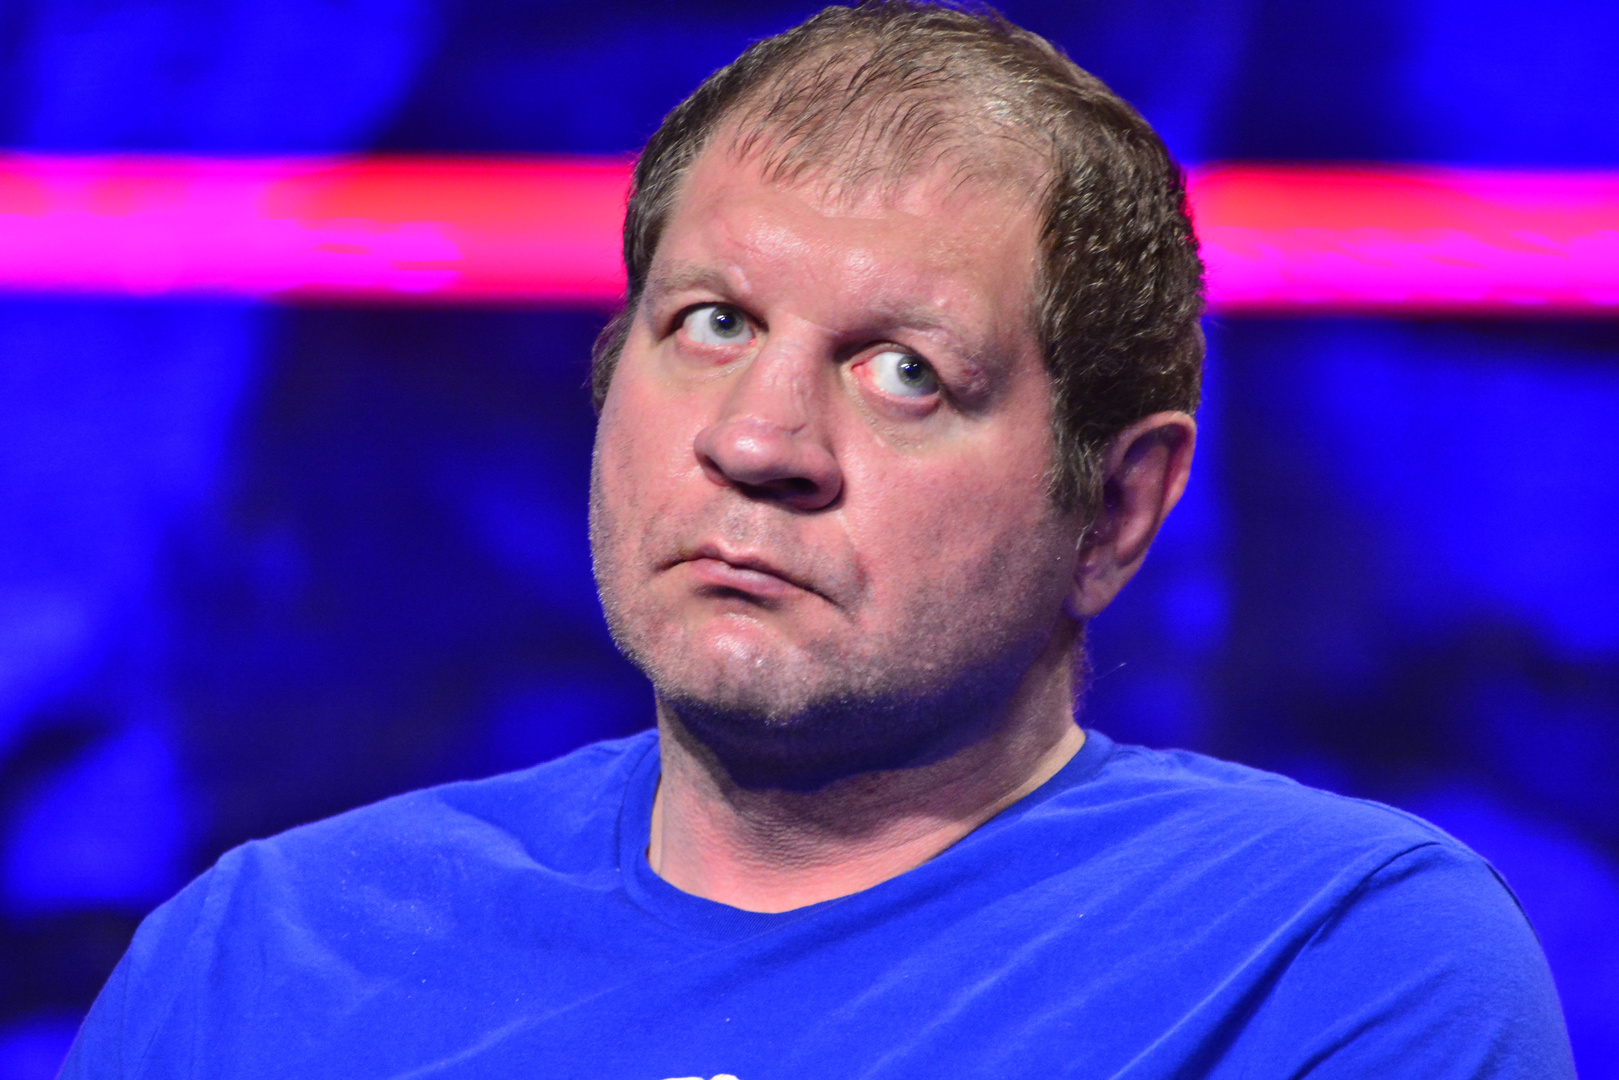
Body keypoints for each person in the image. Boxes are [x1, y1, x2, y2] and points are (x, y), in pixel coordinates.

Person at [63, 3, 1574, 1077]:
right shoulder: (255, 958)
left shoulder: (1328, 961)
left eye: (905, 370)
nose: (759, 441)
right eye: (712, 325)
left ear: (1119, 507)